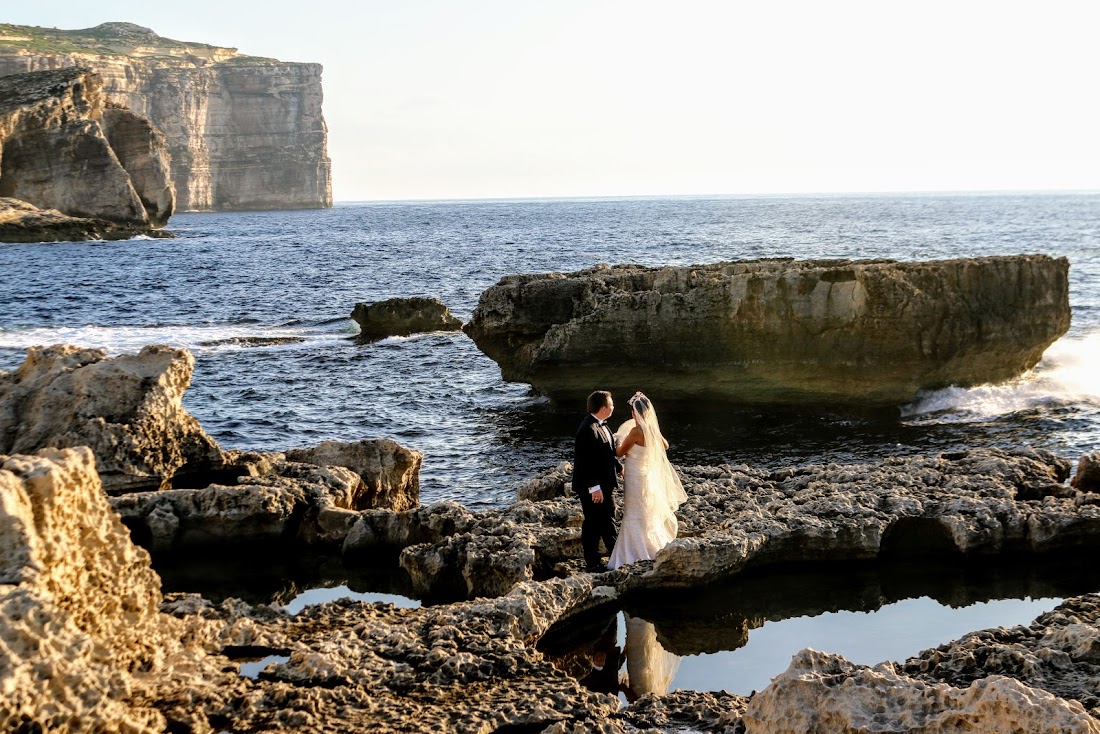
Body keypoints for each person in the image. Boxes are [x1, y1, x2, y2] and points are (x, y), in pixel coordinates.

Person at [608, 392, 687, 570]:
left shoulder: (636, 431)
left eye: (632, 411)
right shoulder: (651, 430)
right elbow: (665, 445)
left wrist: (617, 439)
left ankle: (635, 552)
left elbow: (620, 453)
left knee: (634, 512)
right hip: (647, 476)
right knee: (646, 511)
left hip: (634, 477)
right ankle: (653, 544)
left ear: (635, 413)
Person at [572, 390, 620, 572]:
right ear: (603, 408)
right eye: (611, 403)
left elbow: (607, 452)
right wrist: (594, 487)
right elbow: (585, 462)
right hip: (592, 486)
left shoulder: (603, 426)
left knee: (607, 518)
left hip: (604, 484)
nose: (613, 406)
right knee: (593, 522)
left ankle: (615, 556)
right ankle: (592, 562)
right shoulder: (587, 429)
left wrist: (618, 466)